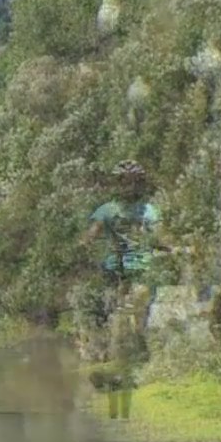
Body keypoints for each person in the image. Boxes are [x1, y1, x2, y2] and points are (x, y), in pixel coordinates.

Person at [80, 160, 163, 414]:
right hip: (117, 272)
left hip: (143, 271)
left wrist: (167, 245)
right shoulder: (107, 210)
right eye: (123, 182)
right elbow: (91, 233)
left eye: (133, 182)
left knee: (136, 318)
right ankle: (121, 367)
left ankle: (139, 367)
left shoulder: (149, 210)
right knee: (117, 320)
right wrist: (84, 243)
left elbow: (160, 235)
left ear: (140, 184)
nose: (128, 187)